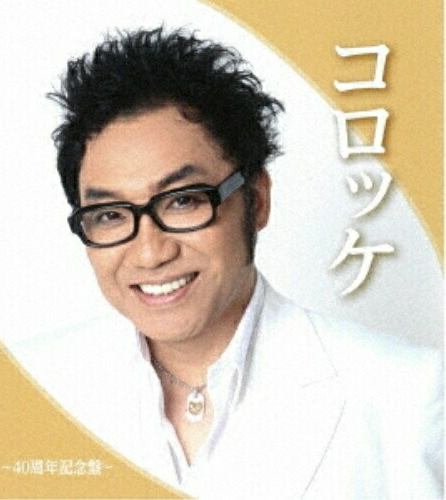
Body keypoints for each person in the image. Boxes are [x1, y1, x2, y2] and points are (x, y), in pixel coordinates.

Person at [24, 27, 442, 497]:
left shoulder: (407, 397)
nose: (150, 252)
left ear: (257, 200)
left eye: (183, 200)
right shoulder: (24, 389)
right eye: (110, 215)